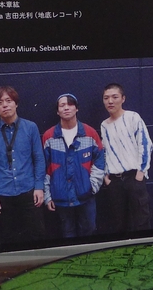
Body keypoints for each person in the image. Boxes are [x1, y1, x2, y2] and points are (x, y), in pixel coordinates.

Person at [0, 86, 45, 243]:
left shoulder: (30, 127)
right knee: (8, 239)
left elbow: (39, 159)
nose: (5, 105)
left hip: (29, 191)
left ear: (16, 103)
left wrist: (39, 187)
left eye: (9, 101)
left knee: (36, 236)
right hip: (2, 194)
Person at [42, 93, 105, 238]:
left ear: (77, 109)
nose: (66, 108)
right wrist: (47, 196)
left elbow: (100, 160)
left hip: (86, 195)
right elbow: (44, 167)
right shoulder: (49, 136)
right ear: (57, 111)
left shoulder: (90, 133)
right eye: (62, 105)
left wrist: (92, 186)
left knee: (89, 230)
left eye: (70, 104)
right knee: (67, 233)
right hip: (60, 197)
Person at [99, 83, 153, 233]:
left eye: (114, 97)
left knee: (141, 222)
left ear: (123, 98)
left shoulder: (132, 117)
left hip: (133, 178)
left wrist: (140, 173)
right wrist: (106, 177)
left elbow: (145, 144)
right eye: (106, 98)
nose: (110, 101)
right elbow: (105, 152)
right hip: (114, 182)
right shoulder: (104, 125)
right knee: (119, 225)